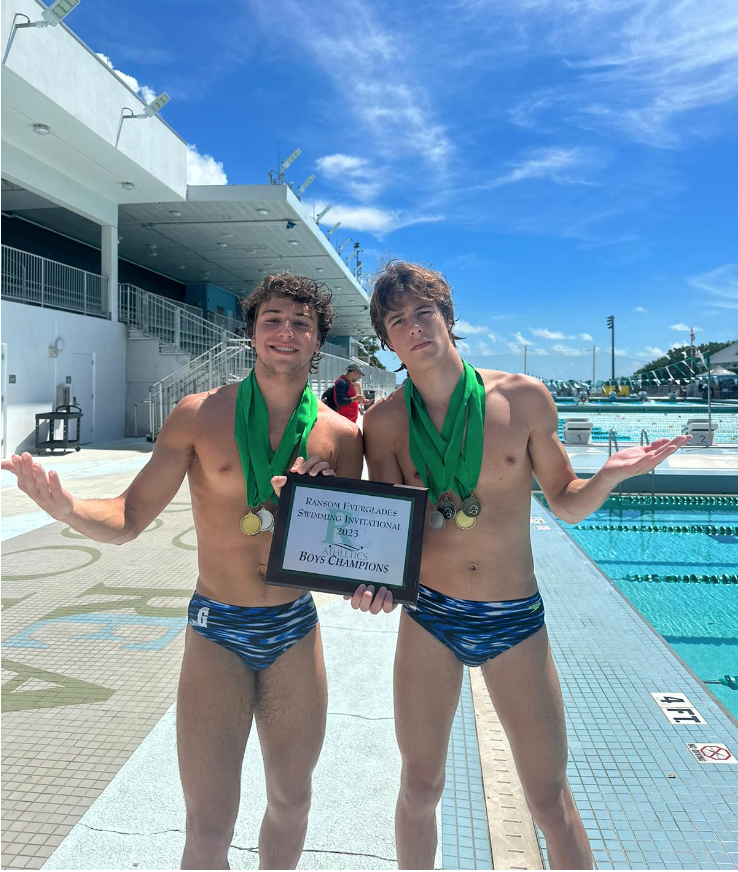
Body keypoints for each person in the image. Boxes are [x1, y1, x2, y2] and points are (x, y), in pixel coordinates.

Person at [2, 273, 363, 871]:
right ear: (250, 332)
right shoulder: (197, 416)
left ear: (317, 342)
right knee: (208, 824)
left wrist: (330, 508)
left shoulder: (342, 435)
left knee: (292, 801)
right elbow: (129, 514)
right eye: (272, 318)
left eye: (302, 323)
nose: (286, 331)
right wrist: (66, 508)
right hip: (216, 628)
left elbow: (352, 551)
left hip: (293, 627)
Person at [348, 261, 690, 871]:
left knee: (548, 797)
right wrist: (371, 580)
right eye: (398, 321)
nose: (414, 328)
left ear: (447, 317)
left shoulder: (523, 399)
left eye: (423, 312)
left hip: (514, 618)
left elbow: (565, 501)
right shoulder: (385, 423)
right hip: (432, 616)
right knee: (420, 789)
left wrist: (608, 477)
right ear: (388, 341)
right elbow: (390, 531)